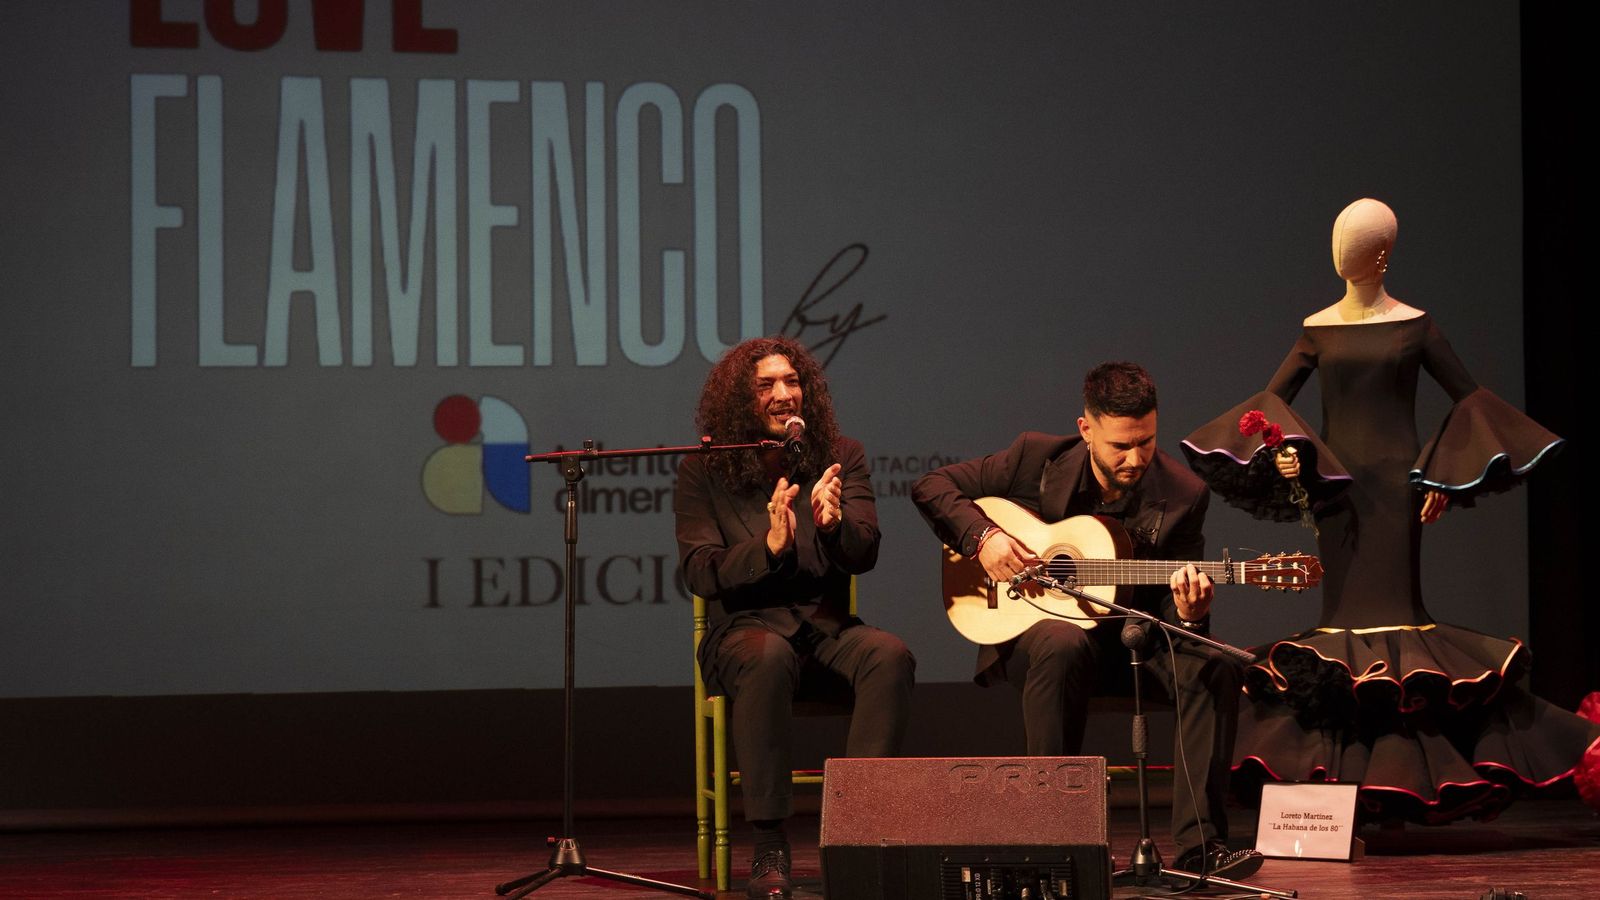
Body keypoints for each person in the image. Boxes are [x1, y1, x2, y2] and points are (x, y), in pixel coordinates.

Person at [1182, 198, 1598, 823]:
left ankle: (1403, 776)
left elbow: (1468, 398)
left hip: (1394, 491)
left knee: (1400, 622)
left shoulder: (1414, 326)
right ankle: (1339, 789)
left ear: (1381, 254)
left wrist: (1446, 474)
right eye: (1338, 239)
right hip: (1337, 492)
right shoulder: (1318, 326)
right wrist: (1288, 454)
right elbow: (1272, 402)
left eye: (1353, 242)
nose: (1340, 251)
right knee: (1338, 628)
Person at [913, 362, 1261, 879]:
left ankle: (1200, 848)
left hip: (1134, 643)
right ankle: (1052, 840)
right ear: (1086, 429)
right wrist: (985, 539)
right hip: (1042, 638)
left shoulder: (1185, 494)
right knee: (1063, 640)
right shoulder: (1035, 457)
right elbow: (932, 485)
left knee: (1216, 667)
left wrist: (1191, 614)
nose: (1135, 458)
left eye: (1146, 442)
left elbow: (1175, 618)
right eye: (1121, 445)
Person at [676, 336, 915, 899]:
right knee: (767, 658)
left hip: (824, 627)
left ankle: (859, 835)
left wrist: (834, 527)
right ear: (741, 400)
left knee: (889, 656)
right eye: (766, 385)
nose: (784, 394)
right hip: (744, 632)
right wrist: (768, 547)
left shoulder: (841, 454)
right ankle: (769, 845)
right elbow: (700, 572)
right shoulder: (703, 468)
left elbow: (865, 553)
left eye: (792, 381)